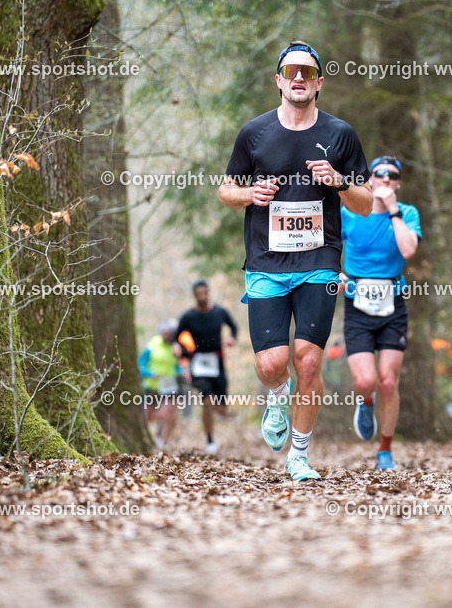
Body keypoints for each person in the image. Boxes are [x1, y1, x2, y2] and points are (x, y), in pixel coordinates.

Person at [219, 40, 372, 481]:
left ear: (319, 82)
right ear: (279, 81)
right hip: (265, 260)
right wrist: (252, 194)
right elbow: (226, 190)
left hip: (320, 259)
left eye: (308, 73)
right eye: (291, 72)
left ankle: (299, 455)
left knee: (308, 359)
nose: (299, 79)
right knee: (272, 364)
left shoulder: (340, 135)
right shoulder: (255, 133)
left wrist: (340, 181)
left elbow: (364, 204)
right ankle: (276, 395)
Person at [340, 155, 420, 470]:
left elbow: (408, 249)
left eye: (392, 176)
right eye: (379, 174)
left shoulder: (408, 213)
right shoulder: (348, 212)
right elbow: (327, 244)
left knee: (388, 381)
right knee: (366, 381)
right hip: (357, 304)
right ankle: (365, 402)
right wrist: (339, 274)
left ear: (398, 183)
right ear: (368, 179)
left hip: (392, 305)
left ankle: (385, 451)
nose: (386, 179)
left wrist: (394, 210)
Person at [176, 279, 238, 454]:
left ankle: (220, 414)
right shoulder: (188, 317)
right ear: (194, 295)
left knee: (220, 407)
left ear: (208, 293)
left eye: (204, 293)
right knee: (207, 401)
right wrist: (177, 346)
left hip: (217, 362)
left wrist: (232, 338)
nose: (202, 296)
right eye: (198, 294)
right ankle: (210, 440)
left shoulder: (219, 312)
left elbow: (233, 327)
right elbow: (176, 336)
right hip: (198, 363)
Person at [138, 320, 182, 449]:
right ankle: (148, 439)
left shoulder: (175, 348)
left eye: (169, 333)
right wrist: (150, 373)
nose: (166, 335)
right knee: (148, 415)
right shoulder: (152, 346)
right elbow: (140, 364)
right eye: (164, 333)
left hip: (169, 386)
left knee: (170, 415)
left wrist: (182, 372)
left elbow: (177, 366)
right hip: (152, 385)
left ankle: (164, 442)